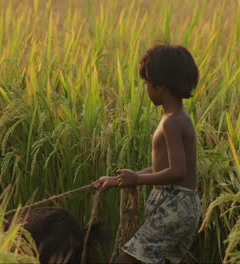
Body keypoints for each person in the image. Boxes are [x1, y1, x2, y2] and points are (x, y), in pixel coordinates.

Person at [92, 44, 201, 264]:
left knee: (126, 261)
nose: (146, 88)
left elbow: (177, 172)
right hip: (182, 205)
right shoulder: (177, 117)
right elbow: (165, 169)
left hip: (175, 204)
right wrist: (118, 180)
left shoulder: (172, 122)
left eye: (147, 83)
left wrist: (138, 179)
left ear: (161, 86)